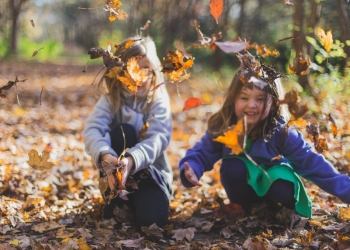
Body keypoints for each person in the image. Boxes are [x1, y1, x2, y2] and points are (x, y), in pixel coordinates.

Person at [179, 52, 350, 218]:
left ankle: (274, 210)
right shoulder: (224, 126)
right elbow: (202, 152)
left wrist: (346, 191)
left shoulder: (281, 133)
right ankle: (243, 207)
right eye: (244, 98)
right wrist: (193, 168)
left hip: (275, 189)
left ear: (274, 104)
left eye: (260, 99)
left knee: (281, 182)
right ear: (233, 99)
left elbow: (314, 164)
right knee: (232, 167)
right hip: (243, 191)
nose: (251, 105)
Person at [83, 36, 173, 227]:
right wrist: (106, 155)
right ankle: (116, 200)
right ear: (118, 72)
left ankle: (144, 202)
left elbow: (158, 138)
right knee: (123, 131)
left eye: (144, 68)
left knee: (153, 222)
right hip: (115, 178)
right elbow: (93, 129)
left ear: (154, 70)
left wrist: (131, 161)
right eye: (130, 68)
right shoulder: (110, 101)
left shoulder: (158, 101)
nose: (137, 76)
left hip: (151, 177)